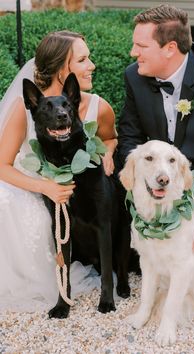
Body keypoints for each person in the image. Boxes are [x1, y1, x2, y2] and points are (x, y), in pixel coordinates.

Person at [0, 30, 117, 311]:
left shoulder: (99, 106)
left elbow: (110, 137)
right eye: (83, 60)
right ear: (61, 68)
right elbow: (2, 164)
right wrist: (45, 187)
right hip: (33, 185)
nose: (92, 65)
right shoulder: (24, 107)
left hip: (78, 192)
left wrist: (109, 153)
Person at [116, 4, 194, 260]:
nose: (132, 52)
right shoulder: (135, 77)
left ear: (170, 48)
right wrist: (140, 179)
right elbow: (130, 136)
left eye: (141, 46)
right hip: (160, 174)